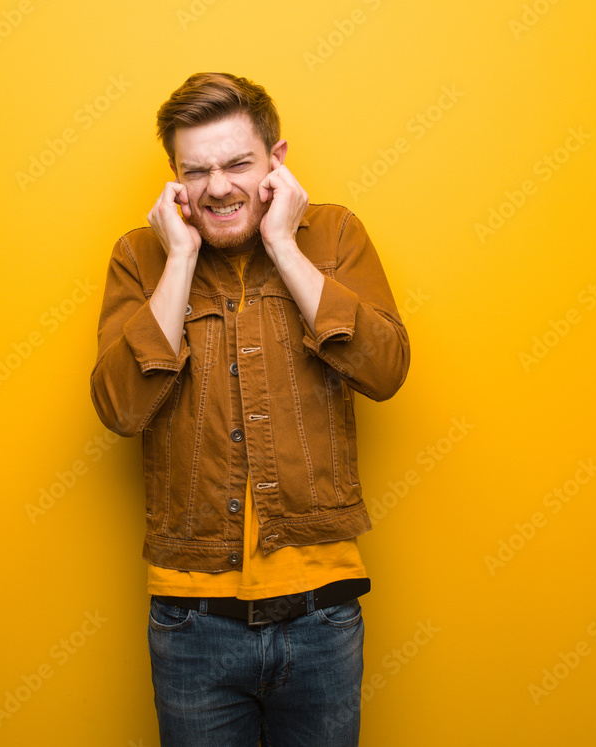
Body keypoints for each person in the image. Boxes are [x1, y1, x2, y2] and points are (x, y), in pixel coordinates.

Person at [90, 72, 410, 746]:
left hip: (321, 614)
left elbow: (385, 370)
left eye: (238, 163)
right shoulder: (139, 256)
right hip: (191, 619)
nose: (218, 187)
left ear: (277, 160)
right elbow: (121, 407)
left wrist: (286, 248)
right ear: (176, 178)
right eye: (196, 170)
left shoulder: (335, 235)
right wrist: (178, 261)